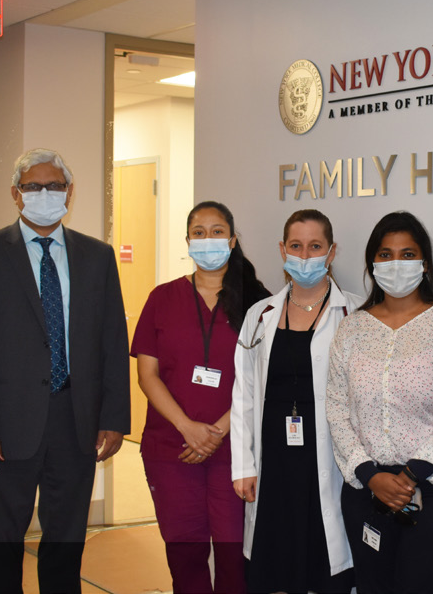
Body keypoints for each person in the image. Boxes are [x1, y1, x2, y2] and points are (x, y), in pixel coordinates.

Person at [0, 149, 130, 593]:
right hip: (3, 432)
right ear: (15, 194)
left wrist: (113, 418)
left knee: (66, 545)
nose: (45, 194)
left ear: (70, 192)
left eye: (55, 186)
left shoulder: (97, 257)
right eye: (33, 186)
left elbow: (111, 341)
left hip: (76, 422)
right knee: (1, 546)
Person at [131, 201, 270, 593]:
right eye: (199, 232)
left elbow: (263, 378)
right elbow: (147, 374)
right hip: (171, 447)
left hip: (235, 450)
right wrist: (187, 428)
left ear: (233, 239)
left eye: (217, 231)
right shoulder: (162, 298)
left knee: (233, 557)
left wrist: (217, 432)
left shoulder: (259, 304)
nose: (207, 239)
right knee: (185, 556)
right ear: (187, 240)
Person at [327, 211, 433, 594]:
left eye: (408, 254)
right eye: (386, 254)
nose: (396, 264)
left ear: (424, 263)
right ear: (372, 264)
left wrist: (412, 475)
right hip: (366, 493)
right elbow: (337, 408)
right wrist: (370, 475)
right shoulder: (352, 328)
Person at [231, 209, 361, 593]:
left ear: (332, 251)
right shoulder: (260, 315)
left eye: (315, 246)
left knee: (325, 566)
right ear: (282, 249)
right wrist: (243, 465)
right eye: (296, 246)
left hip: (327, 463)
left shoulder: (354, 312)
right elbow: (244, 396)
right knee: (274, 568)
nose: (305, 256)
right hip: (273, 464)